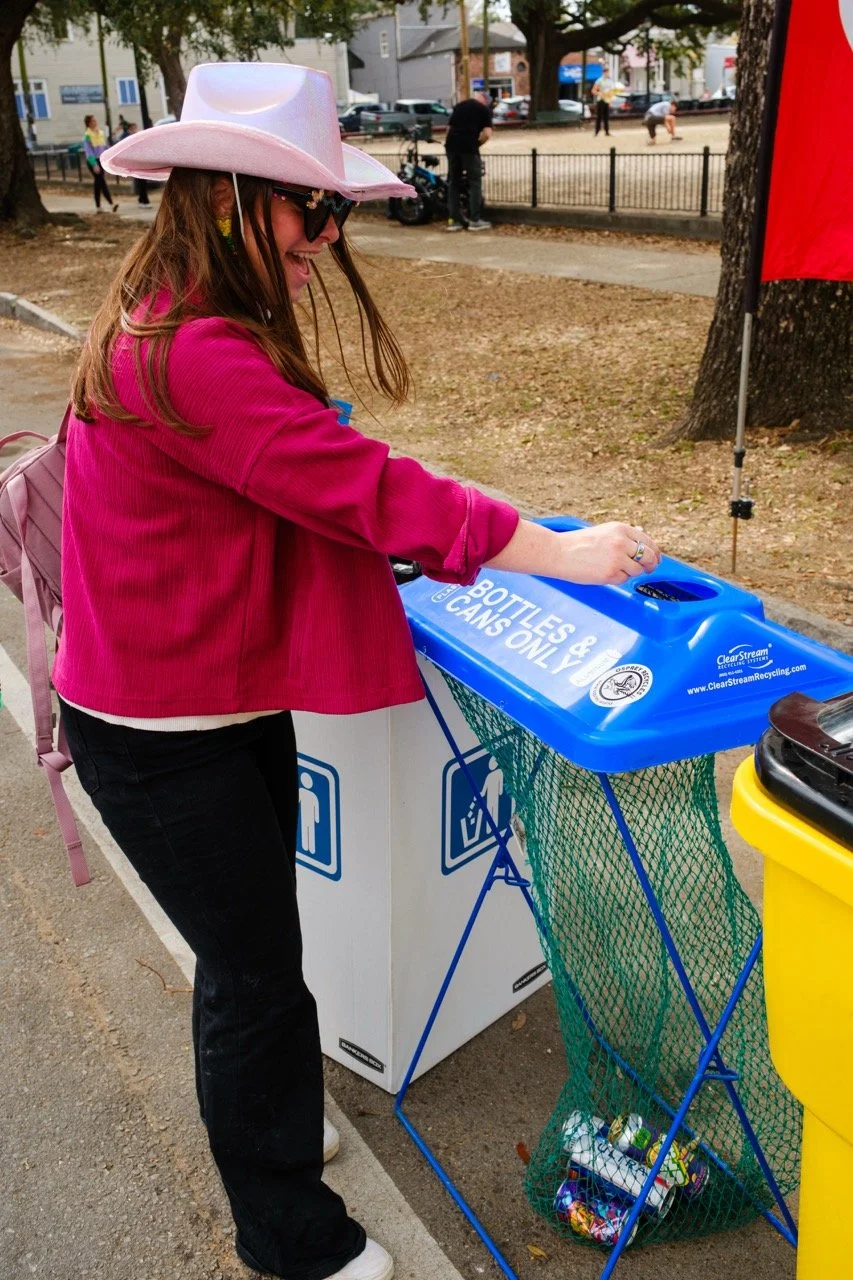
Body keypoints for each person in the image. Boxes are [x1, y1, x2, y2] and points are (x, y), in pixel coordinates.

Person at [55, 61, 661, 1280]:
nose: (327, 240)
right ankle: (286, 1232)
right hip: (164, 735)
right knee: (254, 981)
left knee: (261, 962)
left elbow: (314, 470)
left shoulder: (167, 311)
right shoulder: (197, 352)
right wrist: (564, 550)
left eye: (333, 215)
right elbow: (374, 492)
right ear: (227, 199)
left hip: (200, 708)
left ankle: (268, 1123)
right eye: (311, 211)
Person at [444, 89, 492, 232]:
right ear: (484, 100)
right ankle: (474, 220)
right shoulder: (483, 110)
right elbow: (487, 134)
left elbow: (448, 129)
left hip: (451, 147)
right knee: (474, 182)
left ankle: (454, 221)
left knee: (453, 182)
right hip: (469, 149)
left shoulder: (459, 106)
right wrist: (477, 144)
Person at [83, 114, 119, 212]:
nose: (95, 122)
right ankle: (111, 204)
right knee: (101, 182)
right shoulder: (87, 135)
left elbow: (105, 146)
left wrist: (111, 154)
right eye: (93, 120)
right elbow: (88, 151)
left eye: (95, 120)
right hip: (93, 161)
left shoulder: (100, 132)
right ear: (89, 123)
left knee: (98, 184)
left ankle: (99, 206)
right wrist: (94, 164)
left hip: (101, 160)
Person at [125, 121, 151, 205]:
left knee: (142, 182)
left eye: (135, 128)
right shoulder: (128, 140)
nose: (134, 130)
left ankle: (141, 199)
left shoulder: (139, 138)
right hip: (135, 164)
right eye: (132, 129)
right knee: (141, 182)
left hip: (141, 162)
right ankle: (144, 200)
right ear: (129, 130)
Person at [591, 68, 617, 137]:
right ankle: (597, 131)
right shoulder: (599, 80)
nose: (607, 74)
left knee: (606, 117)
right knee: (599, 117)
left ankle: (607, 131)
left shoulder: (610, 81)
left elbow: (611, 92)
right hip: (601, 100)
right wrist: (599, 93)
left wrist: (610, 101)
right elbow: (593, 90)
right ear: (603, 73)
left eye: (608, 72)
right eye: (606, 72)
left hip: (607, 100)